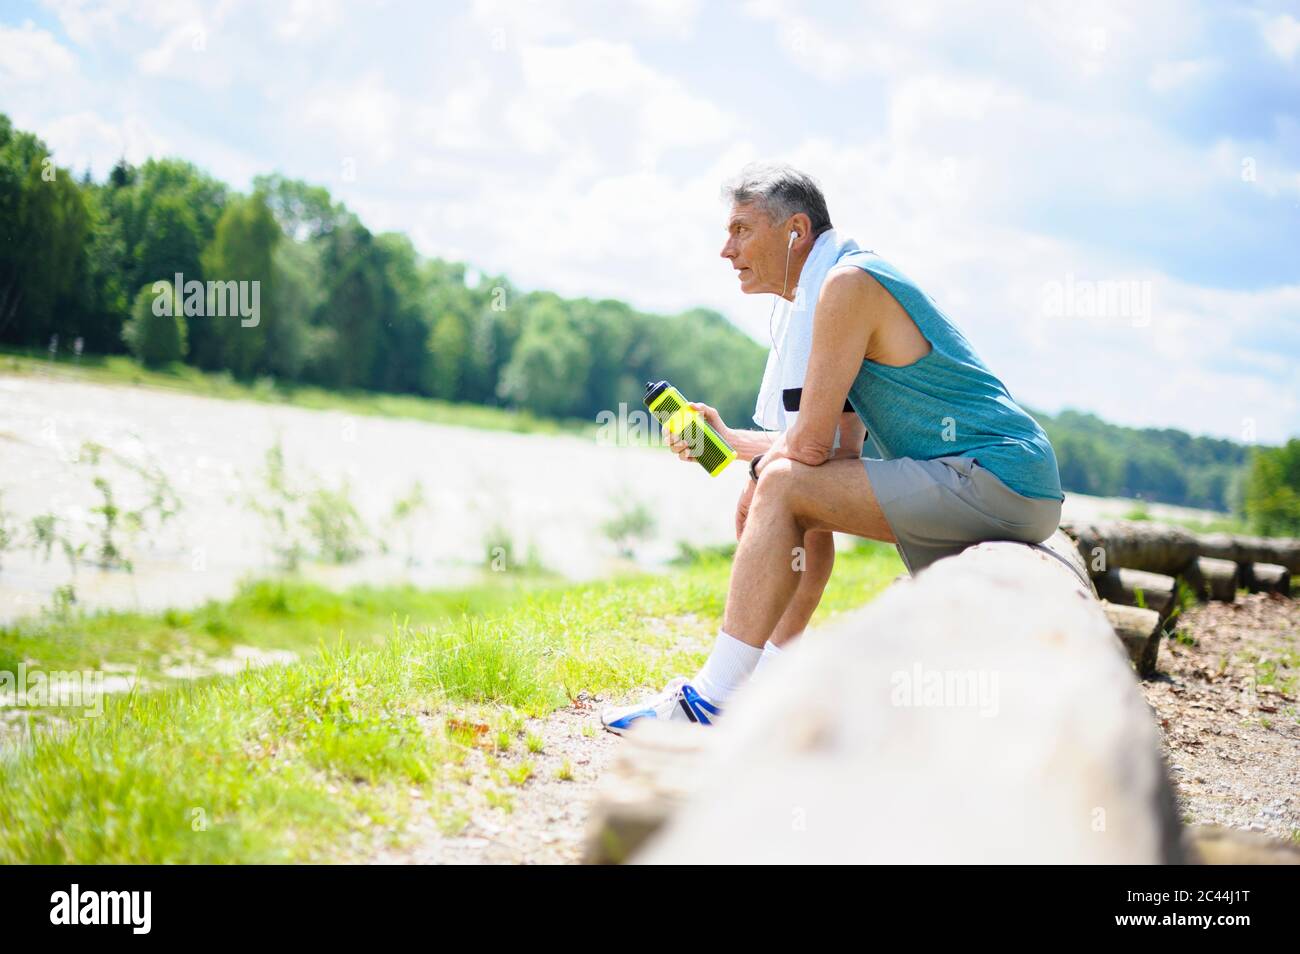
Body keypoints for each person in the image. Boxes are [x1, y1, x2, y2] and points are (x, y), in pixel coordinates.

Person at [601, 162, 1064, 734]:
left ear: (795, 232)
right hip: (1011, 482)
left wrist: (761, 474)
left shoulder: (846, 285)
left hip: (996, 475)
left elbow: (808, 448)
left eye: (741, 230)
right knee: (789, 488)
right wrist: (729, 444)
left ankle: (710, 702)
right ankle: (765, 689)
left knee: (783, 484)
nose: (726, 250)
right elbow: (835, 448)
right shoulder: (831, 289)